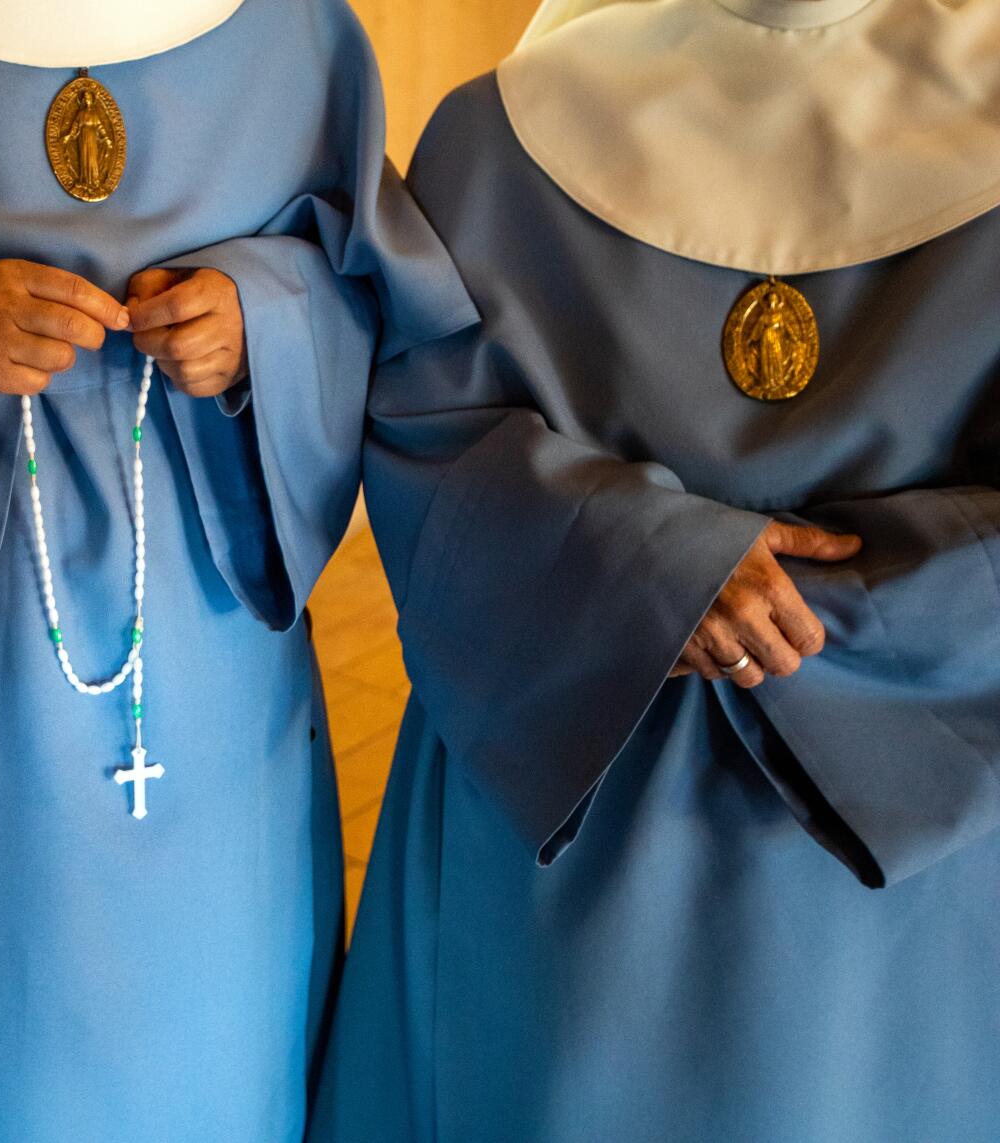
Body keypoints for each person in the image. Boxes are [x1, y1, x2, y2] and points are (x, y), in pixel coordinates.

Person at [0, 1, 476, 1138]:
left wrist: (261, 318)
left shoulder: (280, 26)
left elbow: (375, 295)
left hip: (204, 647)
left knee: (213, 1038)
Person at [320, 0, 1000, 1139]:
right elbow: (420, 425)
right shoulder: (503, 136)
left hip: (914, 863)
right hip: (583, 856)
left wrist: (755, 599)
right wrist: (652, 569)